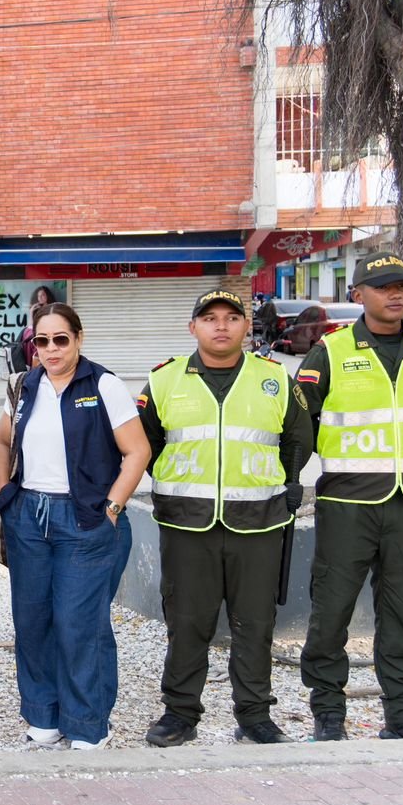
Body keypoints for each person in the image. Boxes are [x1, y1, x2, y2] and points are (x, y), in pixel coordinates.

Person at [135, 290, 312, 748]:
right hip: (186, 523)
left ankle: (255, 716)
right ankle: (179, 714)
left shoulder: (274, 378)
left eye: (232, 318)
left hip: (259, 523)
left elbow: (298, 440)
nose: (221, 326)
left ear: (246, 327)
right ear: (192, 327)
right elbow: (145, 445)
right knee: (187, 622)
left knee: (255, 623)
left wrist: (284, 482)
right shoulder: (164, 380)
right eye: (210, 318)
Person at [298, 250, 403, 741]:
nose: (396, 295)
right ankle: (328, 714)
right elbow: (301, 423)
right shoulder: (331, 350)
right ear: (358, 294)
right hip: (349, 502)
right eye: (384, 287)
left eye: (402, 286)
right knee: (332, 611)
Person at [0, 303, 148, 749]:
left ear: (79, 338)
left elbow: (137, 451)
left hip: (85, 518)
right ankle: (43, 715)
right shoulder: (24, 385)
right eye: (42, 341)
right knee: (32, 620)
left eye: (61, 339)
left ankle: (87, 723)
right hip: (29, 517)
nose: (52, 349)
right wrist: (6, 495)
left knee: (79, 624)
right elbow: (0, 441)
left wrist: (112, 507)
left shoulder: (103, 385)